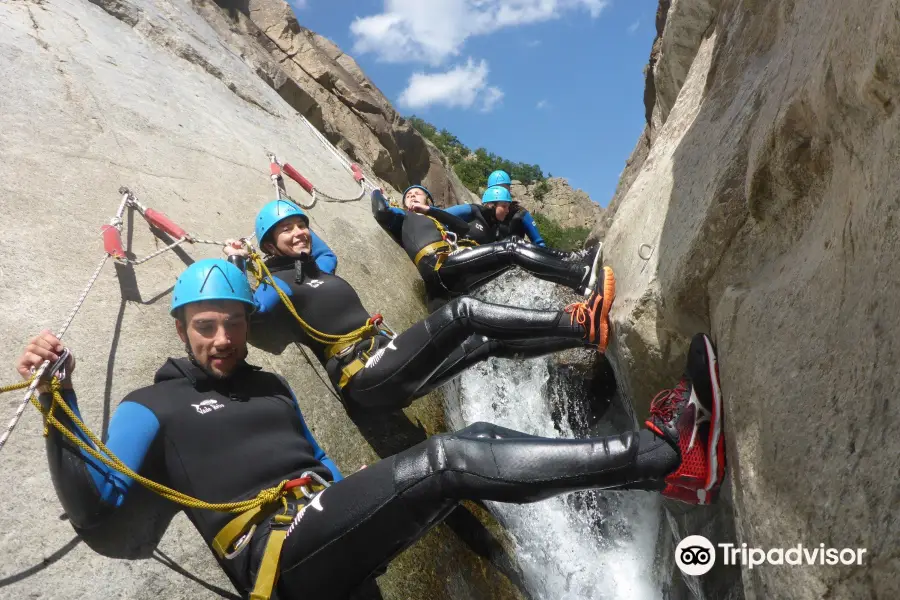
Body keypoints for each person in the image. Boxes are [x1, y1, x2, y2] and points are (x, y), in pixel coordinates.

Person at [17, 258, 728, 599]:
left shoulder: (268, 385)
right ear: (181, 328)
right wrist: (59, 408)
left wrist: (362, 491)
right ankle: (668, 458)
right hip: (279, 560)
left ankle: (663, 452)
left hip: (327, 531)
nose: (223, 340)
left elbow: (314, 455)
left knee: (476, 443)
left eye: (233, 325)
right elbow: (110, 520)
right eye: (206, 328)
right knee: (446, 461)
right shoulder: (152, 406)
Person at [225, 199, 615, 412]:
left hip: (390, 365)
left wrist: (289, 212)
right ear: (269, 245)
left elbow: (323, 247)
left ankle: (582, 333)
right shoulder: (278, 284)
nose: (298, 233)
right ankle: (573, 317)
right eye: (285, 230)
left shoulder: (320, 266)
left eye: (300, 225)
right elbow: (250, 312)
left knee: (488, 343)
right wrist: (240, 261)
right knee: (463, 312)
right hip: (364, 376)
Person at [371, 185, 602, 312]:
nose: (412, 197)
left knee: (510, 259)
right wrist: (376, 192)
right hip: (445, 268)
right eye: (408, 196)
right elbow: (382, 211)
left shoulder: (433, 217)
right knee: (511, 248)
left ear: (428, 200)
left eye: (417, 194)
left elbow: (462, 227)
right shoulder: (405, 216)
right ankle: (579, 272)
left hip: (455, 271)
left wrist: (429, 211)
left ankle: (576, 286)